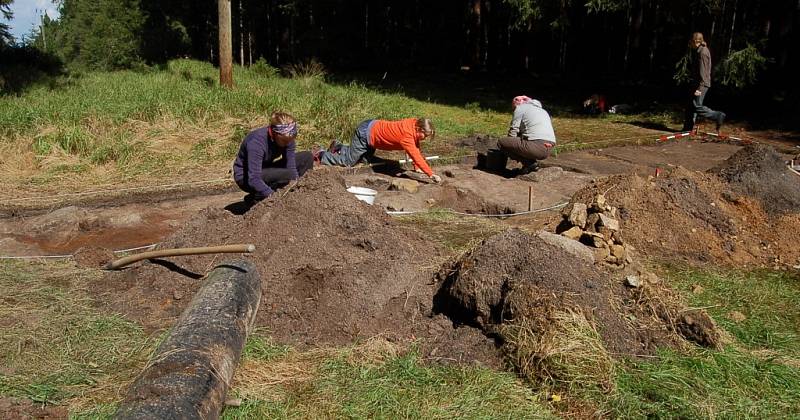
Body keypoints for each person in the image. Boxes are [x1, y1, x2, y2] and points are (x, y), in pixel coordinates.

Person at [315, 118, 442, 183]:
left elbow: (416, 146)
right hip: (365, 134)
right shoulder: (407, 135)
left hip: (372, 130)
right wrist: (430, 174)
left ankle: (339, 147)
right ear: (419, 129)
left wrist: (416, 167)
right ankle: (321, 155)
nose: (425, 138)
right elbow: (415, 154)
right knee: (348, 162)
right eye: (425, 135)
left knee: (365, 160)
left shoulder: (413, 123)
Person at [232, 111, 313, 202]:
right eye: (285, 141)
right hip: (247, 177)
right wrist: (273, 198)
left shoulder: (288, 137)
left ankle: (298, 193)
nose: (288, 143)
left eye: (290, 141)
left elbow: (291, 167)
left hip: (266, 169)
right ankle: (256, 199)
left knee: (307, 157)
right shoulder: (256, 143)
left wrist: (296, 186)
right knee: (287, 175)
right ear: (274, 134)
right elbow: (254, 179)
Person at [498, 96, 556, 175]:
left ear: (517, 102)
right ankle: (528, 167)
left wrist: (509, 147)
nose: (513, 108)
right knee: (524, 142)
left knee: (501, 143)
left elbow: (513, 130)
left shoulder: (520, 108)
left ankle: (529, 164)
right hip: (549, 147)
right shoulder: (543, 111)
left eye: (513, 105)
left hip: (535, 146)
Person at [682, 32, 726, 133]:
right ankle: (687, 129)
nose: (690, 44)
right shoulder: (698, 50)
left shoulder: (702, 52)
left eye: (691, 42)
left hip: (701, 84)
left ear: (695, 41)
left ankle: (718, 115)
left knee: (696, 105)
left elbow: (704, 71)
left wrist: (699, 87)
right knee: (690, 105)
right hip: (697, 83)